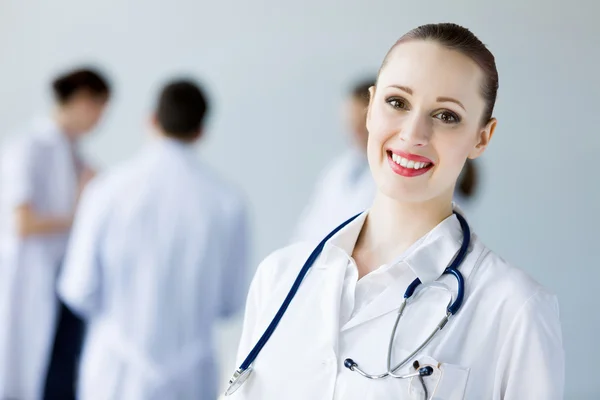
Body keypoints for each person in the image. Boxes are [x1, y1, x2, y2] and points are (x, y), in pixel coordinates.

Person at [227, 23, 564, 399]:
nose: (413, 133)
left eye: (446, 115)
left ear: (482, 137)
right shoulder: (280, 278)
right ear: (370, 108)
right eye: (398, 103)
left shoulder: (514, 309)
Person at [57, 79, 250, 399]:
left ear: (150, 120)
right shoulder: (227, 202)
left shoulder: (107, 190)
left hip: (115, 372)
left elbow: (78, 288)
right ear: (201, 131)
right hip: (191, 375)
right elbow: (229, 303)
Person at [0, 67, 111, 400]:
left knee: (63, 373)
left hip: (65, 282)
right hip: (33, 282)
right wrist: (80, 214)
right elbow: (22, 223)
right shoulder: (28, 148)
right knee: (36, 374)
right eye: (99, 108)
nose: (100, 120)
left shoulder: (76, 158)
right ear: (81, 100)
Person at [291, 78, 377, 243]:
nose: (354, 130)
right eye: (351, 122)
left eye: (361, 122)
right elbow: (308, 230)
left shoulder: (392, 175)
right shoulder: (338, 170)